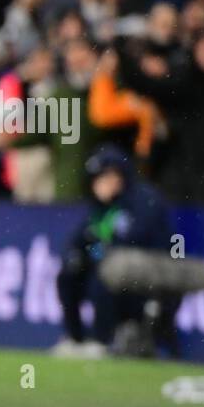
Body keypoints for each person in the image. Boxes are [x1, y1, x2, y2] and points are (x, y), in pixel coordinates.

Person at [53, 145, 173, 358]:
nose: (100, 184)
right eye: (97, 179)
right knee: (69, 273)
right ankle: (75, 338)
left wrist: (97, 252)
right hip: (109, 265)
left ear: (118, 175)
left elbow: (138, 239)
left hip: (145, 274)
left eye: (105, 176)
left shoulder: (143, 199)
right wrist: (79, 255)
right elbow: (81, 240)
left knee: (106, 272)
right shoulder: (102, 207)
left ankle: (102, 341)